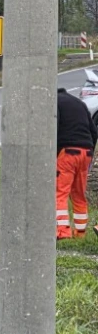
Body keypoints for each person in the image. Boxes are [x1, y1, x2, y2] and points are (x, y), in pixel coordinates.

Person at [56, 87, 97, 239]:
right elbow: (94, 131)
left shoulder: (55, 103)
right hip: (86, 152)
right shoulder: (79, 103)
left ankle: (62, 232)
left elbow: (55, 128)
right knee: (79, 195)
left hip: (67, 153)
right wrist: (90, 151)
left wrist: (55, 152)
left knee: (60, 193)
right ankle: (80, 233)